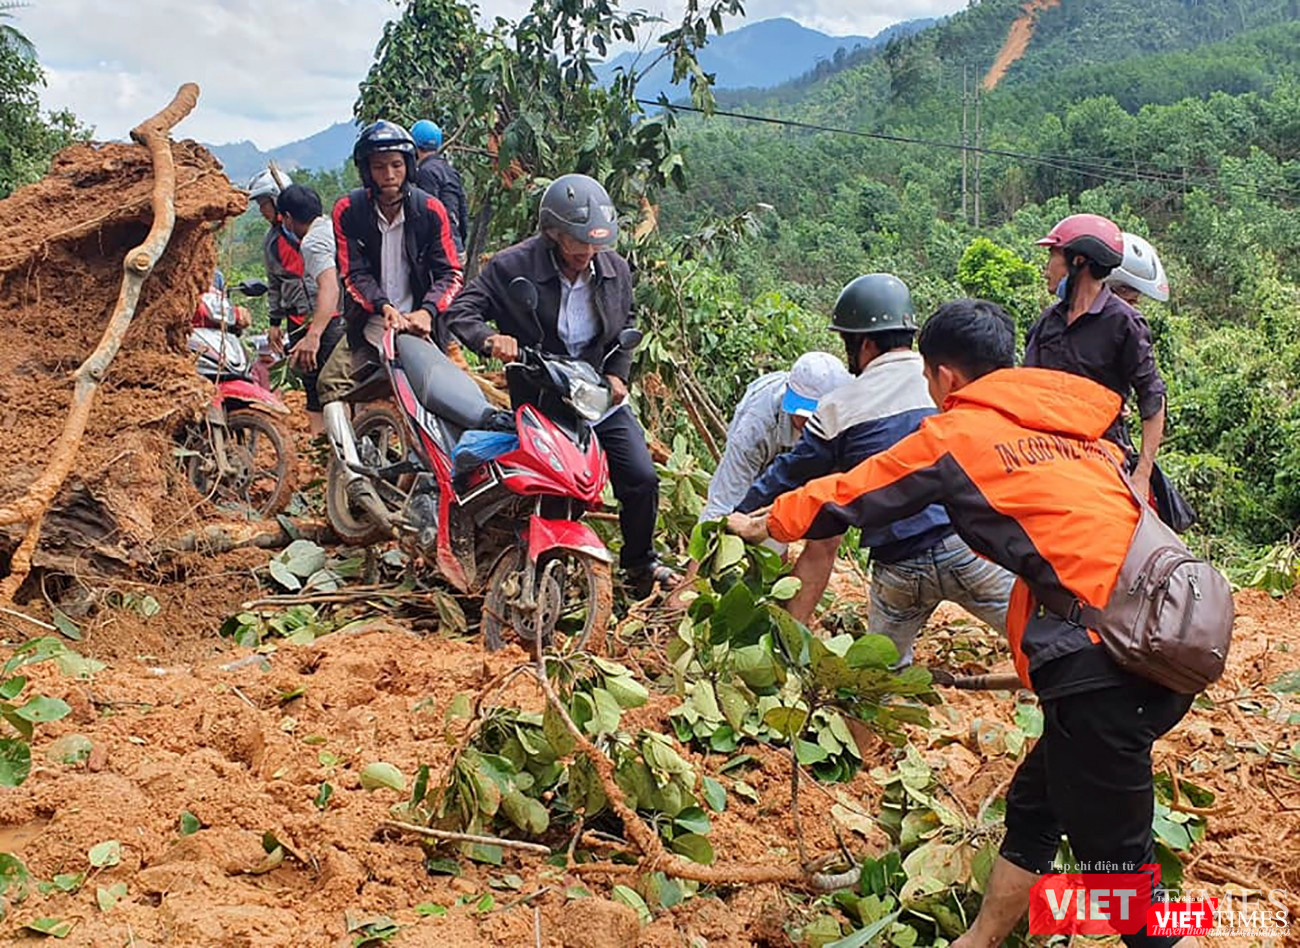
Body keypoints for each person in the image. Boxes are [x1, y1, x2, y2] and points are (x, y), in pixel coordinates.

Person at [728, 299, 1197, 948]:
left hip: (1102, 668)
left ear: (946, 376)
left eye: (927, 377)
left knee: (1123, 883)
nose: (927, 389)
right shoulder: (1080, 434)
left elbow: (859, 491)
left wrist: (766, 520)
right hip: (1160, 640)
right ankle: (977, 941)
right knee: (1036, 808)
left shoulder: (962, 433)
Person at [734, 274, 1012, 664]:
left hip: (898, 566)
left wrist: (740, 514)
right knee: (1048, 642)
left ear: (863, 343)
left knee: (872, 684)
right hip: (967, 547)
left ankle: (797, 671)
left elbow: (789, 473)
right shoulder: (944, 381)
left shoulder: (838, 406)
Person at [444, 173, 677, 599]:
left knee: (641, 477)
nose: (587, 253)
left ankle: (641, 563)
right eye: (577, 242)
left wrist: (618, 373)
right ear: (552, 233)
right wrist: (490, 340)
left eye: (595, 244)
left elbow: (626, 325)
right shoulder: (512, 267)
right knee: (553, 485)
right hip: (541, 395)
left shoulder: (614, 270)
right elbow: (462, 312)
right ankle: (536, 571)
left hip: (593, 394)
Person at [316, 120, 464, 507]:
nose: (389, 174)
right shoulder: (349, 210)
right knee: (330, 384)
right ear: (367, 169)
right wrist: (383, 307)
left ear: (409, 165)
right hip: (369, 324)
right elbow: (353, 272)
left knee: (436, 404)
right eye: (380, 166)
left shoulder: (430, 210)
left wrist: (428, 312)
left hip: (420, 330)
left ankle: (435, 487)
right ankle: (350, 473)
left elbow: (451, 271)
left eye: (396, 165)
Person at [1025, 214, 1167, 509]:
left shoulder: (1124, 323)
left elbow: (1152, 399)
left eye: (1053, 256)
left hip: (1101, 464)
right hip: (1046, 459)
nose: (1046, 268)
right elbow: (1027, 393)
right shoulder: (1046, 324)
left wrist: (1142, 474)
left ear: (1079, 261)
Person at [698, 351, 851, 523]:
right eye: (806, 416)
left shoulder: (848, 423)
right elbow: (724, 500)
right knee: (740, 510)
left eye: (819, 417)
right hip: (764, 433)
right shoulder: (756, 426)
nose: (811, 423)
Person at [275, 183, 345, 436]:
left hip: (332, 322)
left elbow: (330, 288)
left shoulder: (313, 242)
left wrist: (313, 335)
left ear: (289, 218)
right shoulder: (332, 229)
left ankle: (334, 446)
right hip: (347, 317)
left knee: (327, 386)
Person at [246, 168, 300, 358]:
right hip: (297, 320)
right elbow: (275, 284)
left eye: (264, 204)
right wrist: (274, 323)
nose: (261, 211)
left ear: (277, 199)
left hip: (329, 318)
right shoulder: (272, 241)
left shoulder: (312, 229)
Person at [411, 119, 469, 255]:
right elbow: (462, 210)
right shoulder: (450, 170)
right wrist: (460, 242)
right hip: (455, 245)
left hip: (440, 250)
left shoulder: (425, 173)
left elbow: (427, 215)